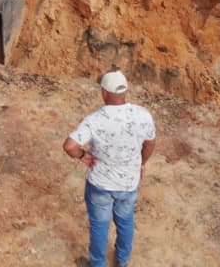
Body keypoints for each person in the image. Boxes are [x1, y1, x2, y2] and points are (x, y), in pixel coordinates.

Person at [63, 70, 156, 267]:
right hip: (129, 184)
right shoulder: (143, 115)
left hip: (100, 185)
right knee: (125, 221)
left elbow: (70, 146)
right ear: (125, 91)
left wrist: (83, 155)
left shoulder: (94, 119)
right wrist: (141, 164)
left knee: (99, 227)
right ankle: (122, 260)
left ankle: (98, 264)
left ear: (104, 92)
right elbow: (150, 144)